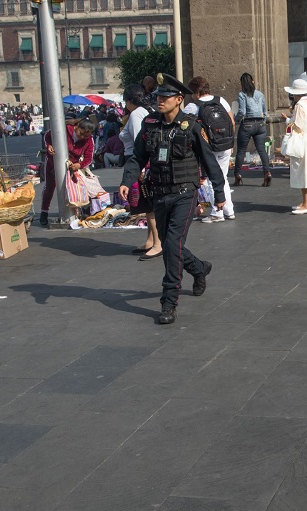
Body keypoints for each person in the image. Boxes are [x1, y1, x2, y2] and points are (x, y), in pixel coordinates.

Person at [119, 73, 226, 325]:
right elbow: (137, 157)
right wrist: (126, 180)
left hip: (184, 195)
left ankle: (169, 302)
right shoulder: (150, 124)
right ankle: (199, 268)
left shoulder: (192, 126)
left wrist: (219, 193)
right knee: (170, 245)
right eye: (158, 96)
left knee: (172, 245)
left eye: (165, 97)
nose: (160, 100)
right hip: (159, 193)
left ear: (179, 99)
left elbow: (210, 162)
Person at [118, 83, 161, 260]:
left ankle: (158, 243)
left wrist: (141, 169)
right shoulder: (147, 109)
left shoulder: (136, 114)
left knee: (148, 205)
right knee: (147, 204)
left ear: (129, 101)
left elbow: (139, 143)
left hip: (138, 162)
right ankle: (151, 240)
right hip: (144, 161)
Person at [184, 76, 236, 222]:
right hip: (226, 145)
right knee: (222, 177)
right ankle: (229, 210)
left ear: (195, 92)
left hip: (208, 148)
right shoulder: (221, 101)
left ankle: (217, 212)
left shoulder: (194, 107)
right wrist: (231, 143)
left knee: (212, 178)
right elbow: (231, 122)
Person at [39, 118, 95, 226]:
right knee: (50, 187)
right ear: (76, 127)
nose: (82, 137)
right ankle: (44, 212)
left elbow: (89, 157)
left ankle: (80, 211)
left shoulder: (89, 140)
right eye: (81, 133)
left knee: (74, 188)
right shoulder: (63, 129)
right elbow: (47, 136)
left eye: (85, 136)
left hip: (72, 165)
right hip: (53, 161)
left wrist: (79, 165)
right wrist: (49, 146)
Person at [283, 79, 307, 215]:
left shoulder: (299, 106)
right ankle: (305, 201)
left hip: (301, 139)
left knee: (303, 172)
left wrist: (288, 121)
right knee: (306, 171)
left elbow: (297, 125)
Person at [233, 72, 272, 186]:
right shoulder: (260, 94)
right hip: (260, 124)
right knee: (262, 150)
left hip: (247, 124)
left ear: (242, 84)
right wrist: (263, 122)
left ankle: (238, 175)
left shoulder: (242, 94)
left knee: (241, 151)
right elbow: (265, 111)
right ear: (252, 82)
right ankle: (267, 173)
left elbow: (242, 112)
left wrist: (235, 120)